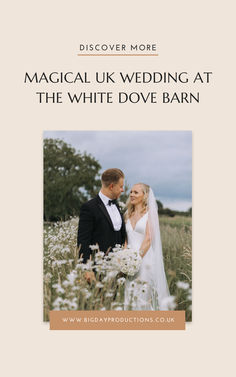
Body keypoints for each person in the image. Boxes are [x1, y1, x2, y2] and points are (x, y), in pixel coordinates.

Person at [124, 183, 170, 310]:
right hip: (128, 262)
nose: (132, 195)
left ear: (145, 196)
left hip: (145, 261)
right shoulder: (127, 214)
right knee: (129, 295)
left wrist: (136, 259)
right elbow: (125, 239)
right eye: (131, 192)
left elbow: (149, 238)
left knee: (143, 297)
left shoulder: (150, 214)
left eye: (136, 192)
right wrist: (124, 258)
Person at [77, 168, 126, 281]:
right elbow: (83, 240)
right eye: (121, 186)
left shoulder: (117, 206)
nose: (122, 190)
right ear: (111, 186)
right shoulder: (89, 207)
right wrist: (87, 268)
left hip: (117, 269)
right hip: (97, 269)